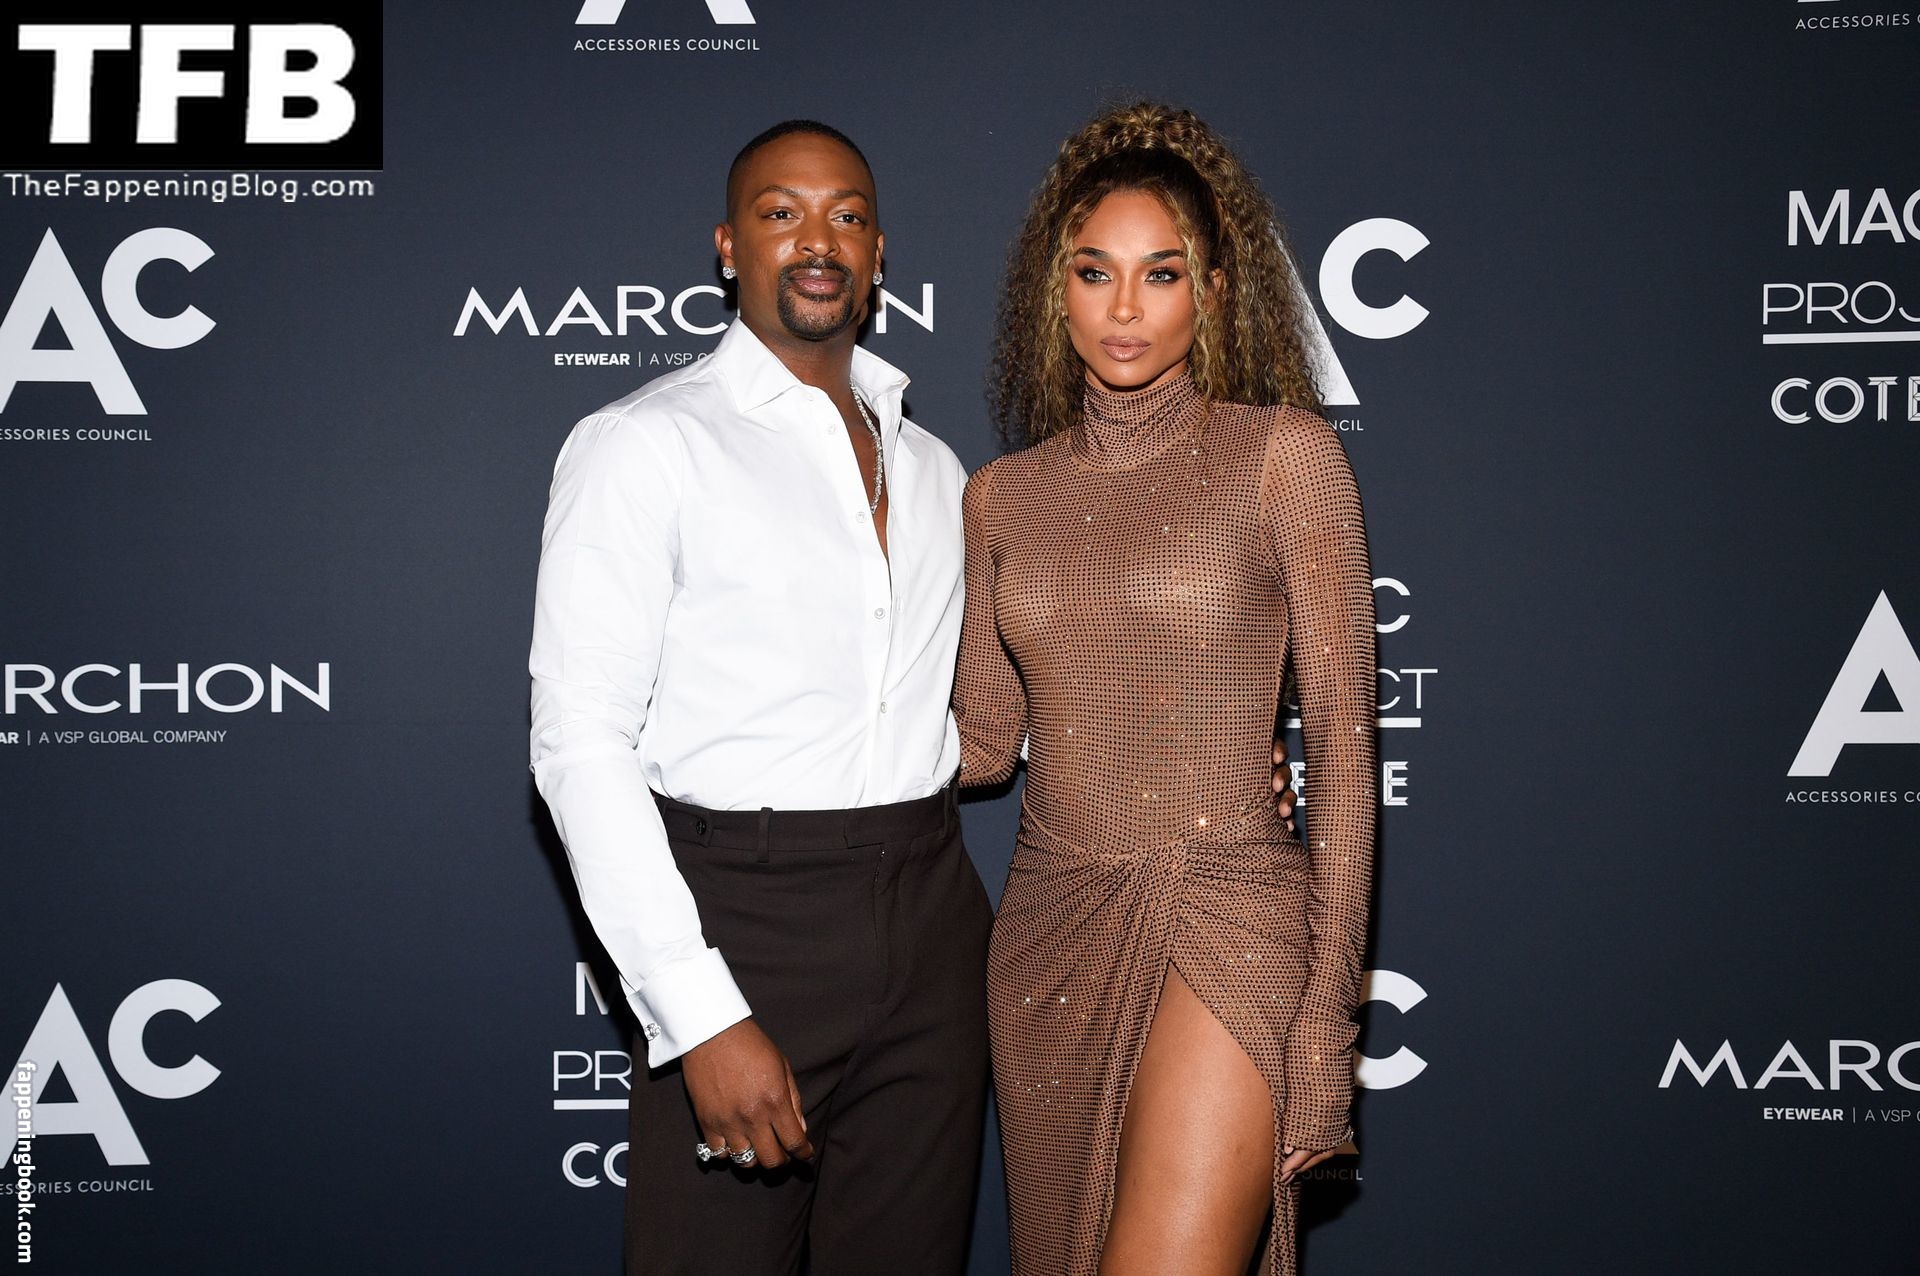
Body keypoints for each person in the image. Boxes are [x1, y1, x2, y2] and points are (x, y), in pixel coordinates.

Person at [527, 119, 990, 1275]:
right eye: (782, 213)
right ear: (729, 246)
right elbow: (581, 744)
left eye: (846, 216)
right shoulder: (643, 445)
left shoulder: (940, 471)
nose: (817, 240)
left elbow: (990, 709)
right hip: (745, 924)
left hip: (934, 919)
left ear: (878, 253)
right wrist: (700, 1011)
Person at [954, 103, 1379, 1276]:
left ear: (1215, 291)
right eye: (1096, 272)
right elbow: (980, 741)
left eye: (1162, 273)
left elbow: (1345, 754)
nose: (1126, 308)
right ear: (1057, 291)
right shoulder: (999, 497)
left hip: (1226, 909)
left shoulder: (1283, 457)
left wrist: (1326, 1028)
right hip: (1048, 933)